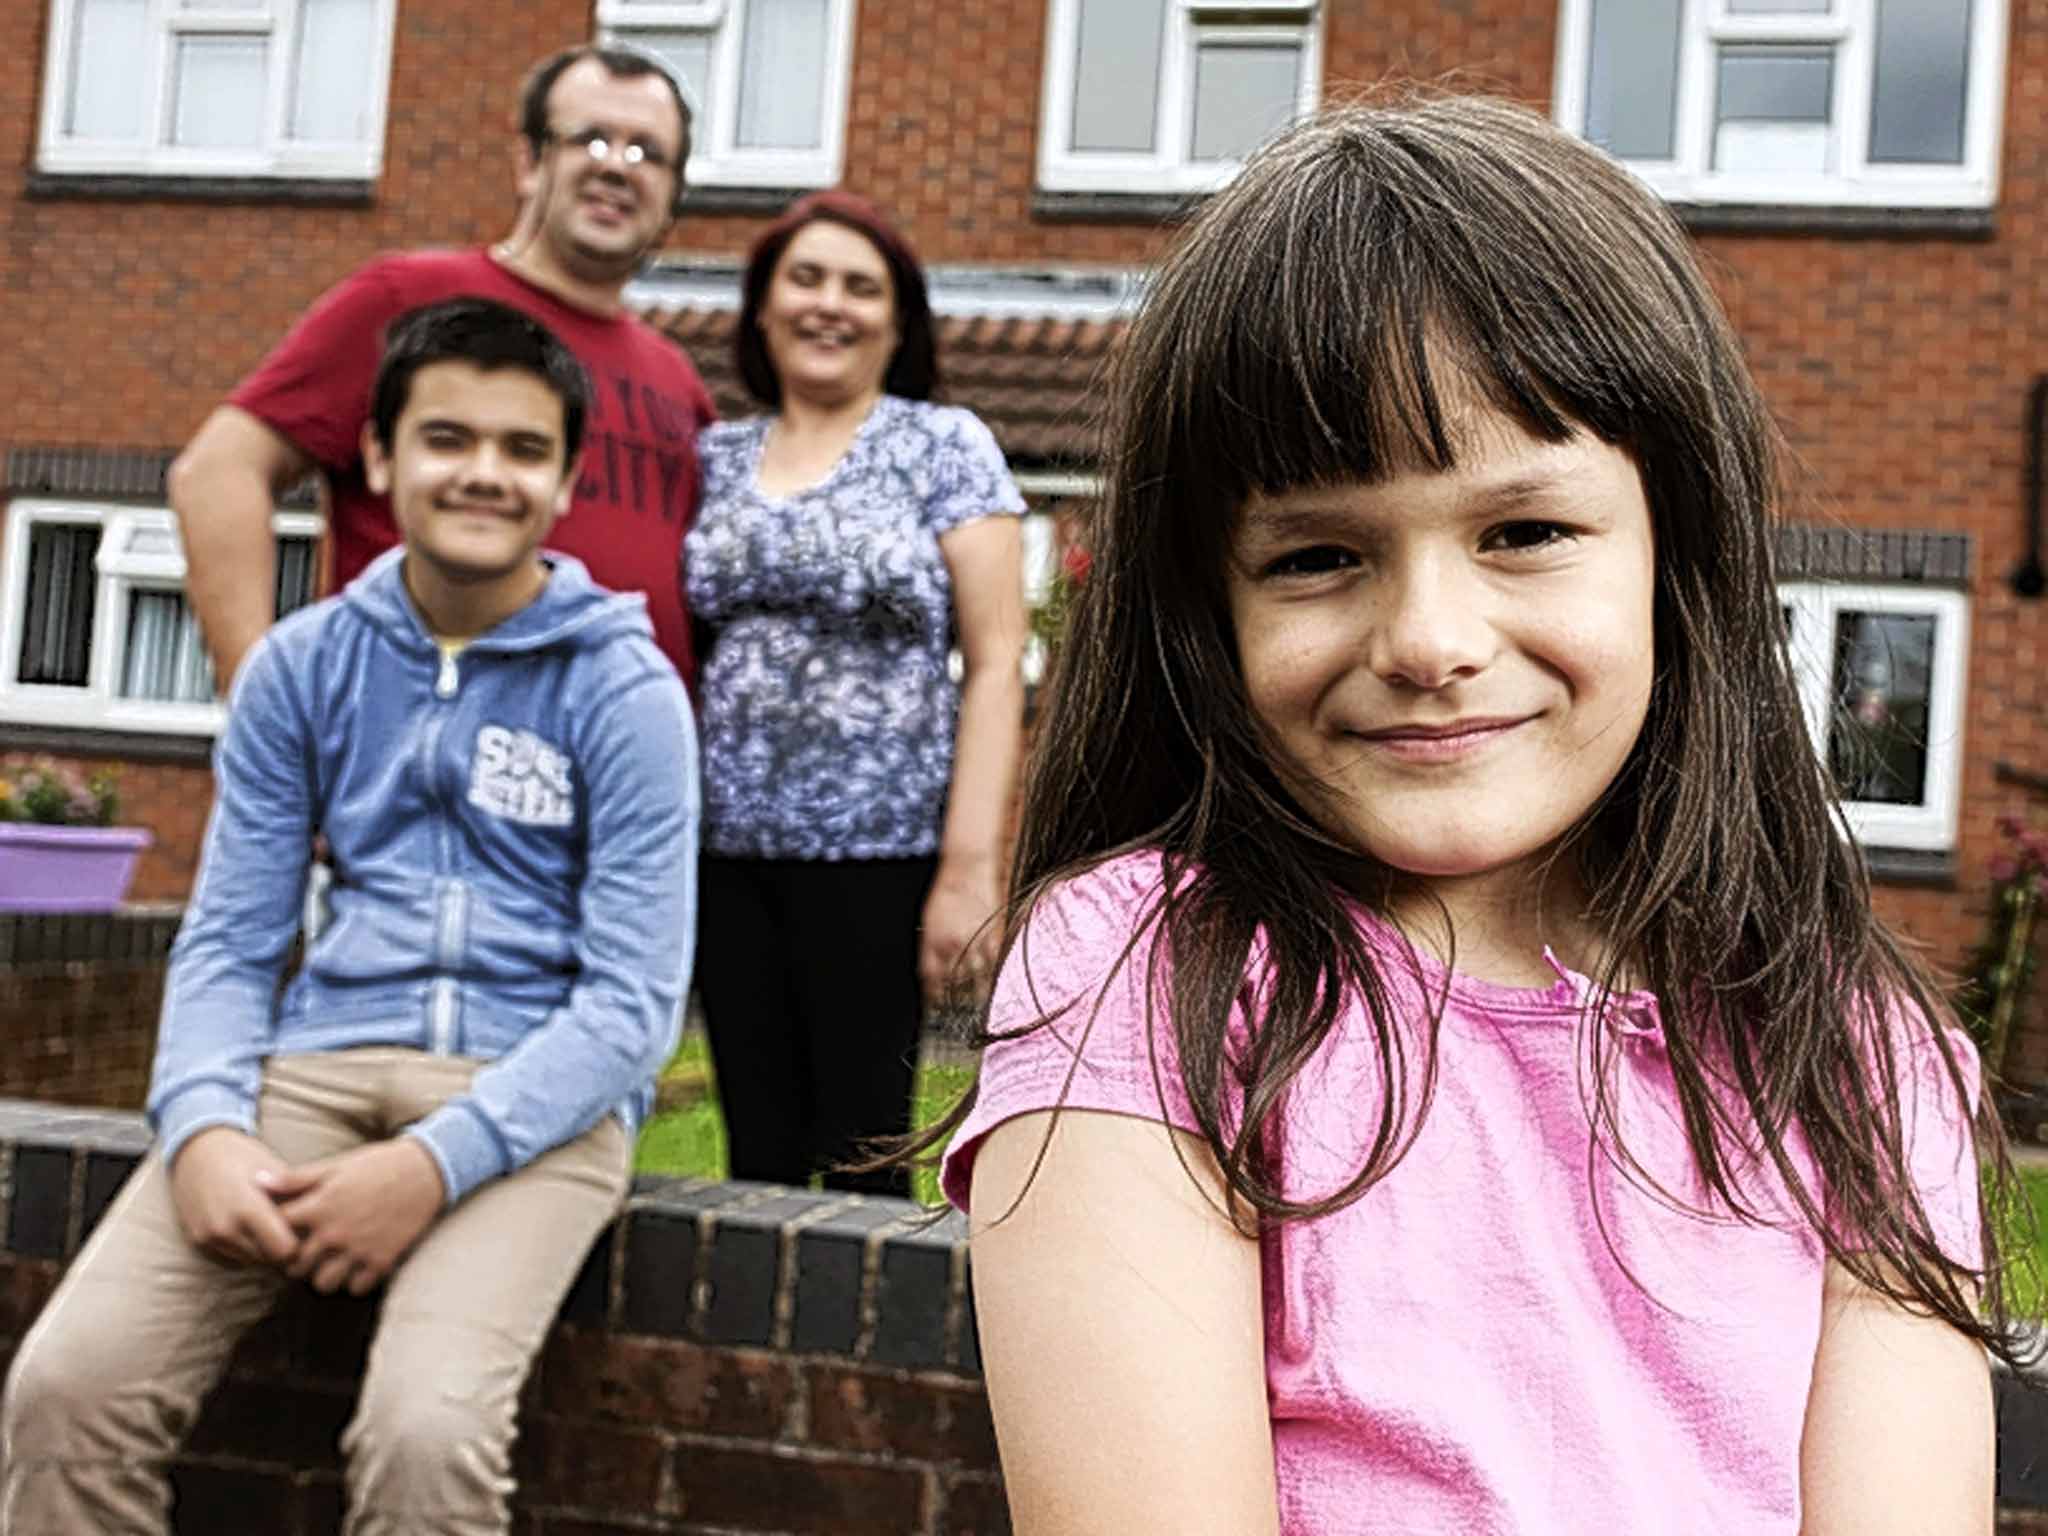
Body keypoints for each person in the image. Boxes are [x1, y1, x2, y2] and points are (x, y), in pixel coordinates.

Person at [934, 97, 2028, 1535]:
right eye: (1320, 555)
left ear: (1676, 557)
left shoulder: (1866, 1062)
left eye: (1524, 533)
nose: (1430, 637)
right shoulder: (1150, 986)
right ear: (1210, 614)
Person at [0, 298, 698, 1535]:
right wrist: (206, 1123)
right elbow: (229, 936)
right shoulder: (303, 666)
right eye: (446, 438)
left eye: (522, 448)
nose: (483, 472)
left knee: (426, 1437)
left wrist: (430, 1167)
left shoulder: (624, 687)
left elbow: (633, 1008)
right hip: (313, 1070)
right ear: (378, 459)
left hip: (537, 1092)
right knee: (69, 1389)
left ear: (564, 478)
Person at [169, 43, 716, 692]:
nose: (617, 169)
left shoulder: (677, 379)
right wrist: (262, 704)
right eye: (590, 140)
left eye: (647, 153)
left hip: (613, 768)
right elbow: (217, 473)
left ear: (673, 194)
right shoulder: (410, 297)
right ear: (530, 162)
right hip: (408, 754)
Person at [685, 191, 1027, 1196]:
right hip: (723, 857)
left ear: (896, 319)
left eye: (859, 286)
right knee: (754, 1149)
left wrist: (968, 868)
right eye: (805, 278)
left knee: (864, 1149)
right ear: (761, 306)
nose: (828, 304)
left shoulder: (942, 446)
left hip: (880, 860)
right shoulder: (709, 460)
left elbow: (998, 657)